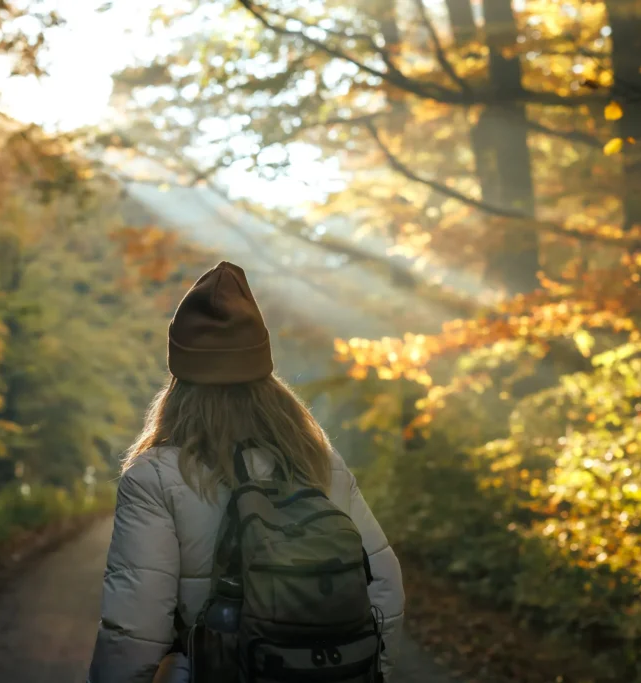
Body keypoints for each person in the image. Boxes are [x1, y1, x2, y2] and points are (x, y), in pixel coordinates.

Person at [87, 261, 405, 683]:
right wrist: (366, 671)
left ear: (180, 380)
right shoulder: (316, 459)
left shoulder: (155, 477)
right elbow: (384, 587)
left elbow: (134, 628)